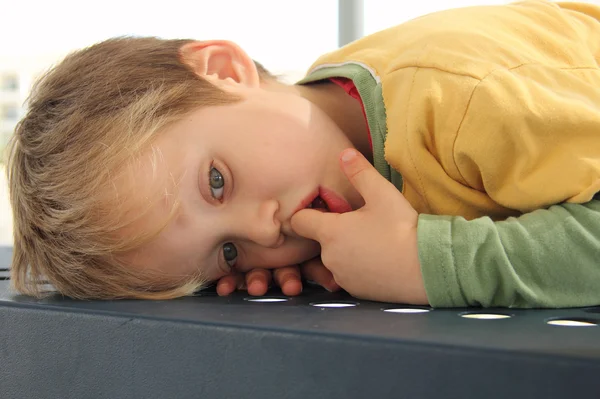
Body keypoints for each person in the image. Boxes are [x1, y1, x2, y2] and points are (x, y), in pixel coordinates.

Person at [7, 0, 600, 307]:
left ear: (223, 71)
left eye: (216, 183)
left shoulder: (470, 100)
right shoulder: (319, 120)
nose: (267, 232)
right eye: (229, 253)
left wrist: (433, 265)